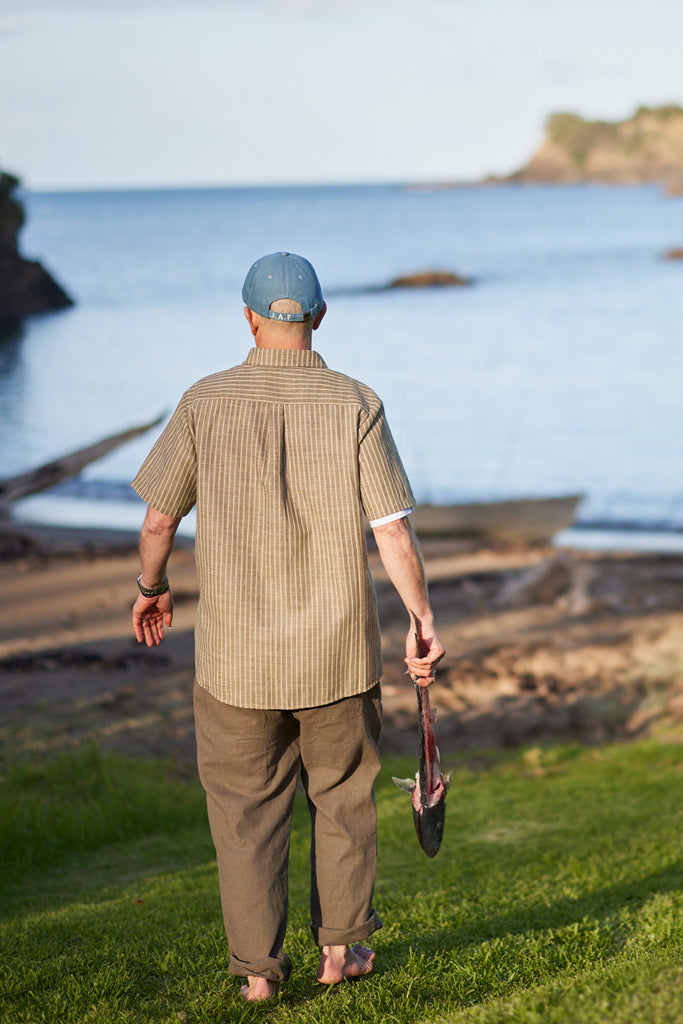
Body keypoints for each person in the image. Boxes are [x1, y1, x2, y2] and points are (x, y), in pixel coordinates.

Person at [131, 251, 444, 1002]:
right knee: (342, 798)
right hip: (336, 654)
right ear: (320, 316)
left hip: (235, 659)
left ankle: (258, 980)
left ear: (245, 316)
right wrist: (421, 619)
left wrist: (152, 586)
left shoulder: (205, 400)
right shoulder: (355, 401)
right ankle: (340, 951)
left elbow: (158, 517)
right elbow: (393, 532)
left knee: (244, 815)